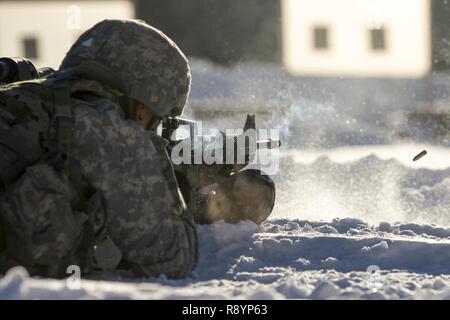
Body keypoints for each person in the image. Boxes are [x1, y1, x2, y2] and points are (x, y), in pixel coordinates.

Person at [0, 19, 197, 279]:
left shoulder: (33, 95)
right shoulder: (107, 128)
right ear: (142, 110)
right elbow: (172, 257)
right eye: (157, 120)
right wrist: (177, 186)